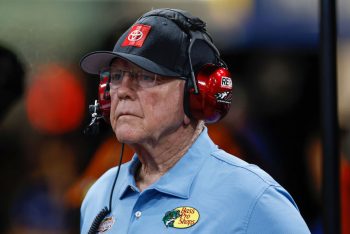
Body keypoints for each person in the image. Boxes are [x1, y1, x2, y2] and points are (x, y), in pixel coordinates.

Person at [79, 8, 310, 233]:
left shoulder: (253, 198)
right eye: (117, 76)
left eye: (147, 76)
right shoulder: (100, 194)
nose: (122, 91)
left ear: (196, 95)